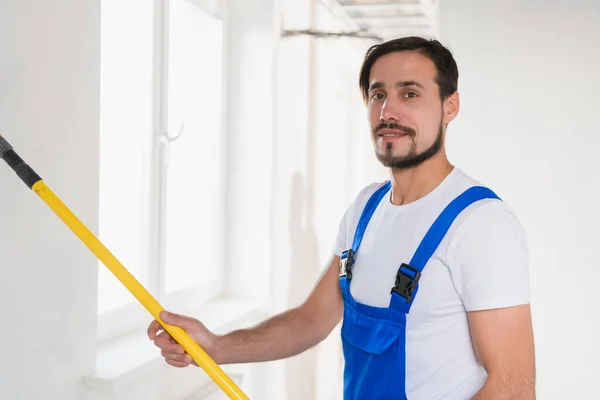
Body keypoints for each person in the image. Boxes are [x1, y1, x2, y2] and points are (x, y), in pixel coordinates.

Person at [147, 36, 536, 399]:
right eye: (378, 94)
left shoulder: (481, 224)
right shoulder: (366, 209)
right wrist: (215, 347)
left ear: (450, 106)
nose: (388, 110)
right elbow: (312, 320)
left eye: (410, 93)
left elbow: (513, 386)